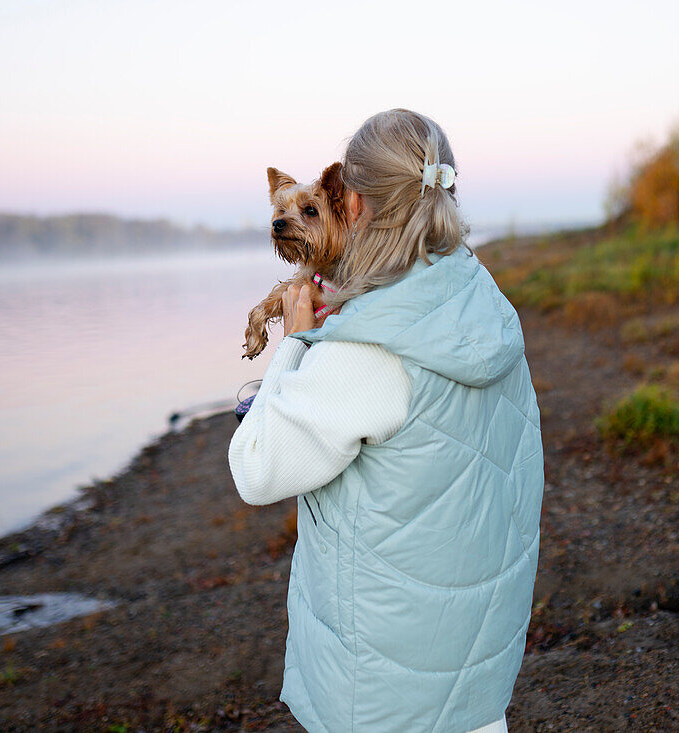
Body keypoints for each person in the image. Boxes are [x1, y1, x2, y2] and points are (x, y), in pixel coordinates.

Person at [228, 109, 544, 733]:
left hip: (384, 690)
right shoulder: (484, 306)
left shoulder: (370, 353)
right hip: (477, 668)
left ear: (358, 207)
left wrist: (294, 344)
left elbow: (256, 468)